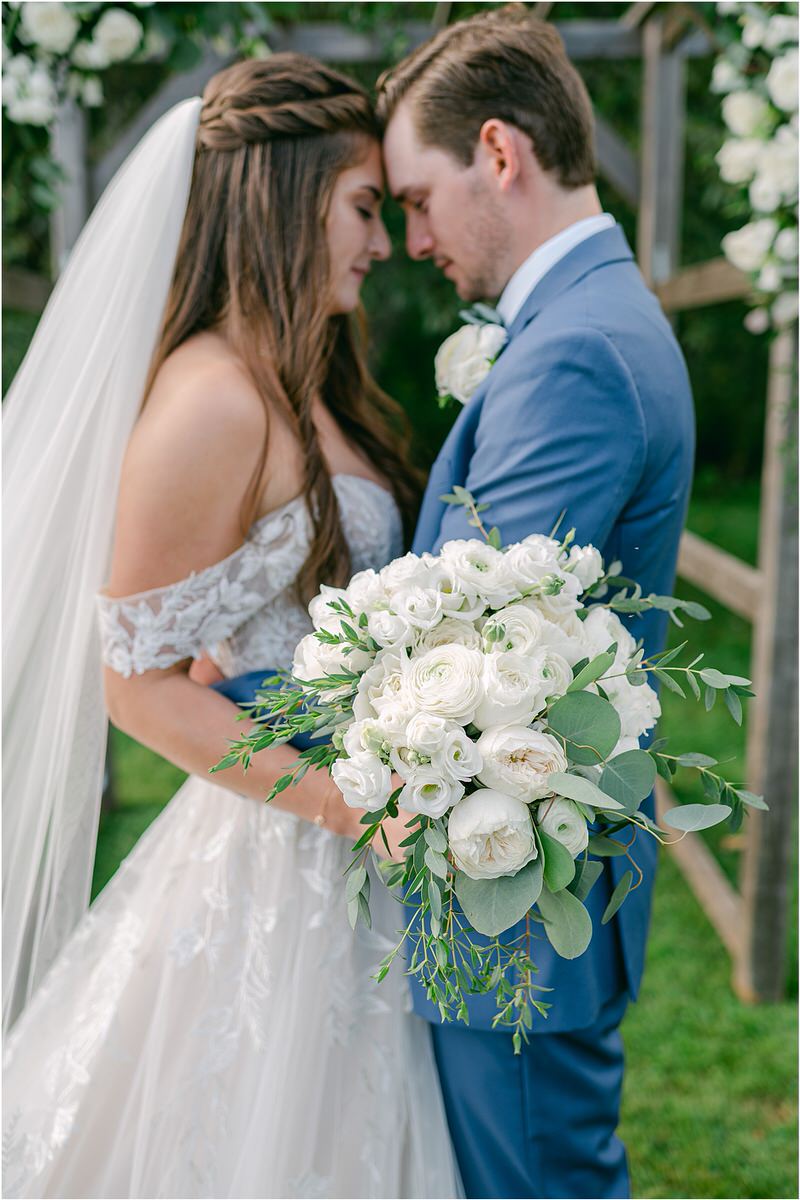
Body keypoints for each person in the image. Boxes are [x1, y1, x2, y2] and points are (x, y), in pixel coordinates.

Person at [2, 55, 459, 1199]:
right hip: (285, 849)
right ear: (283, 196)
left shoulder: (300, 379)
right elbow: (138, 683)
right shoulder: (211, 397)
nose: (385, 242)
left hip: (345, 846)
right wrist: (341, 803)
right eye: (363, 207)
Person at [376, 7, 695, 1199]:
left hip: (521, 897)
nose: (412, 238)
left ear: (497, 154)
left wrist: (255, 693)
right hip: (530, 877)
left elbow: (468, 648)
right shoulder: (589, 319)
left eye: (415, 197)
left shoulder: (572, 354)